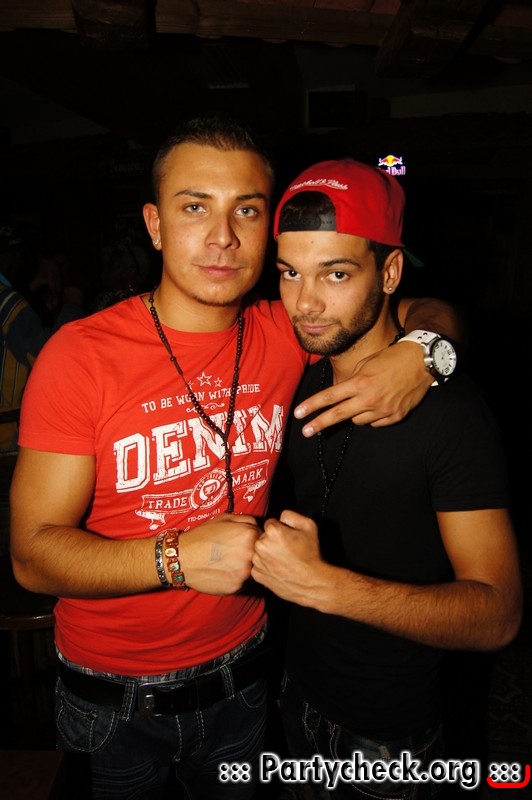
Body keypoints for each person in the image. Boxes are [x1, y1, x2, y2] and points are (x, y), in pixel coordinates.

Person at [10, 116, 464, 800]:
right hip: (114, 698)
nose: (223, 236)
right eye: (195, 208)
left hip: (246, 676)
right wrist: (175, 558)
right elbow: (32, 556)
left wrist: (423, 353)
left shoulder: (287, 329)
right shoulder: (80, 355)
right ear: (155, 225)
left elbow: (422, 305)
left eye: (246, 211)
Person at [251, 158, 522, 798]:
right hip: (292, 693)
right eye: (289, 272)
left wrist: (326, 586)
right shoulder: (300, 367)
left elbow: (498, 614)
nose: (305, 303)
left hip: (388, 733)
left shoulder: (451, 414)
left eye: (336, 274)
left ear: (391, 271)